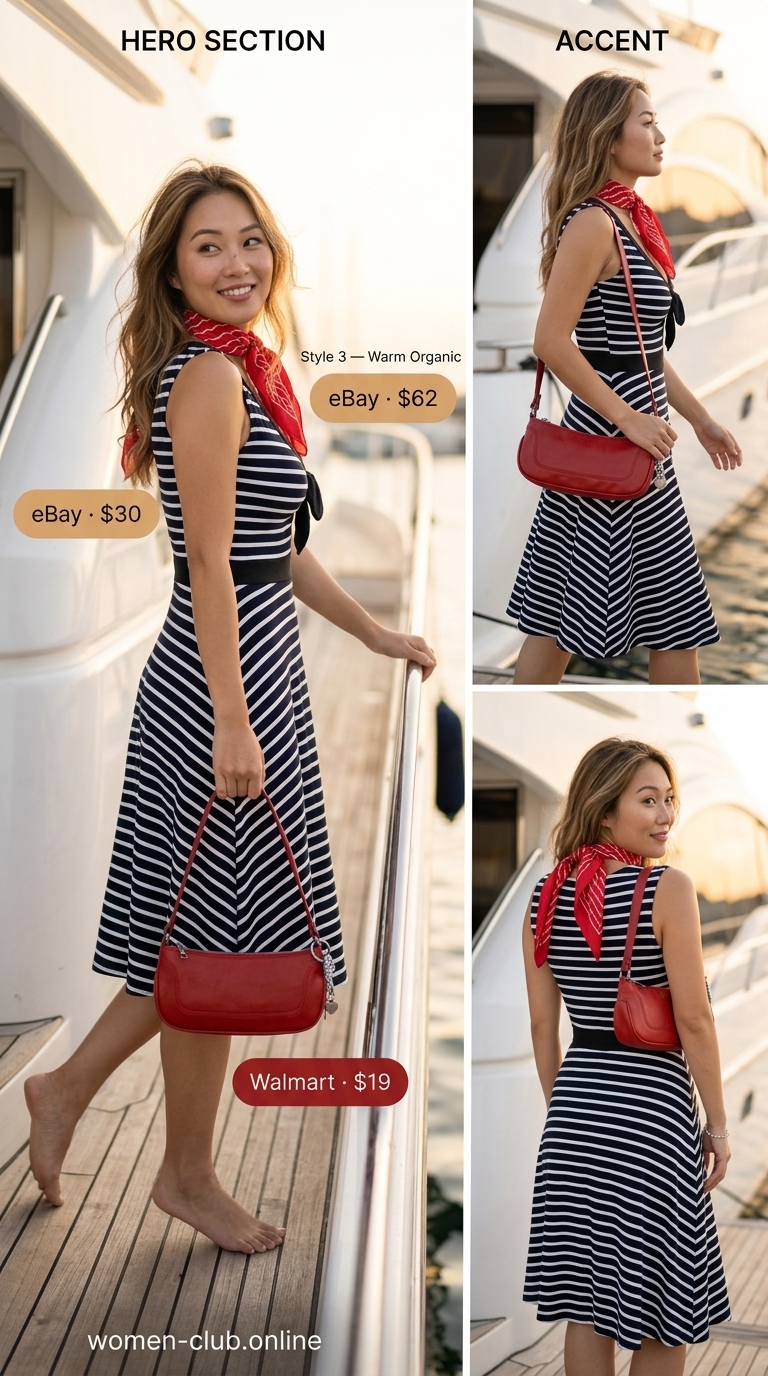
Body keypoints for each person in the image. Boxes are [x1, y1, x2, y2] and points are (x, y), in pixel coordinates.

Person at [24, 162, 436, 1256]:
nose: (237, 262)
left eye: (250, 239)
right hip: (223, 683)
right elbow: (207, 563)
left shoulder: (249, 371)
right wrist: (234, 720)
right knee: (212, 928)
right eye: (208, 245)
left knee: (208, 926)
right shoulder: (205, 379)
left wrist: (375, 631)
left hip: (254, 667)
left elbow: (275, 553)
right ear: (172, 270)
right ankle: (173, 1160)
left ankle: (92, 1106)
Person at [508, 72, 742, 685]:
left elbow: (643, 350)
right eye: (646, 121)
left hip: (639, 437)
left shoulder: (629, 221)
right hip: (617, 435)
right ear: (609, 135)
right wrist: (631, 420)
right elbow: (550, 342)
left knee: (596, 611)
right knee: (595, 615)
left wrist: (702, 420)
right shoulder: (592, 224)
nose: (661, 136)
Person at [522, 738, 731, 1374]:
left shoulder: (545, 894)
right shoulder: (668, 888)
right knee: (664, 1315)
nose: (666, 813)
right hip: (652, 1117)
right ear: (605, 810)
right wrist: (717, 1126)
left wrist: (570, 1110)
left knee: (588, 1306)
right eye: (648, 800)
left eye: (669, 799)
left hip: (575, 1118)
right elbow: (693, 1019)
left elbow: (540, 1025)